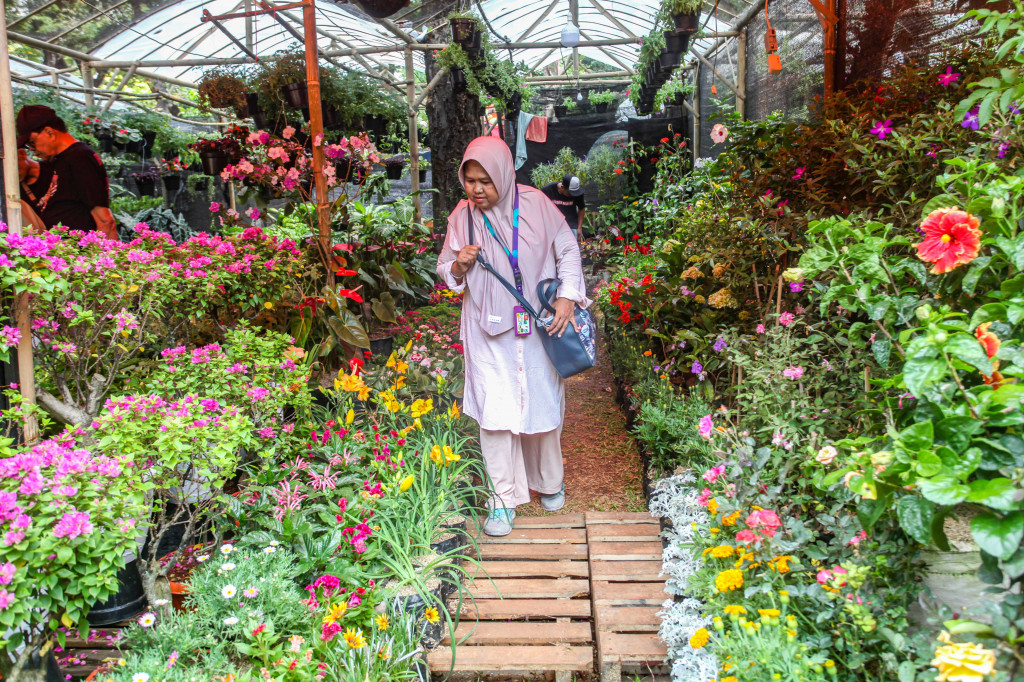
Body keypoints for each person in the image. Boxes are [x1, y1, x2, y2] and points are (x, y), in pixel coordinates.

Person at [436, 137, 591, 537]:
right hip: (487, 330)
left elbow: (568, 251)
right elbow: (445, 269)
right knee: (495, 413)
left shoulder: (537, 204)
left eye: (485, 180)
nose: (477, 189)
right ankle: (502, 499)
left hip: (539, 323)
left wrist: (568, 296)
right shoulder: (462, 216)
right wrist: (458, 265)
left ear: (504, 173)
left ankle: (548, 480)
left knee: (541, 401)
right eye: (469, 180)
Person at [16, 105, 117, 239]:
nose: (33, 151)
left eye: (32, 143)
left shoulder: (80, 157)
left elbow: (105, 220)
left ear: (49, 133)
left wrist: (108, 256)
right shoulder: (58, 160)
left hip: (82, 254)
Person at [540, 174, 586, 243]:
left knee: (571, 249)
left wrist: (579, 227)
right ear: (562, 187)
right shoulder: (547, 190)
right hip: (552, 226)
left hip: (570, 225)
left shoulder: (578, 193)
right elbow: (540, 207)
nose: (573, 195)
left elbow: (581, 208)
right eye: (570, 193)